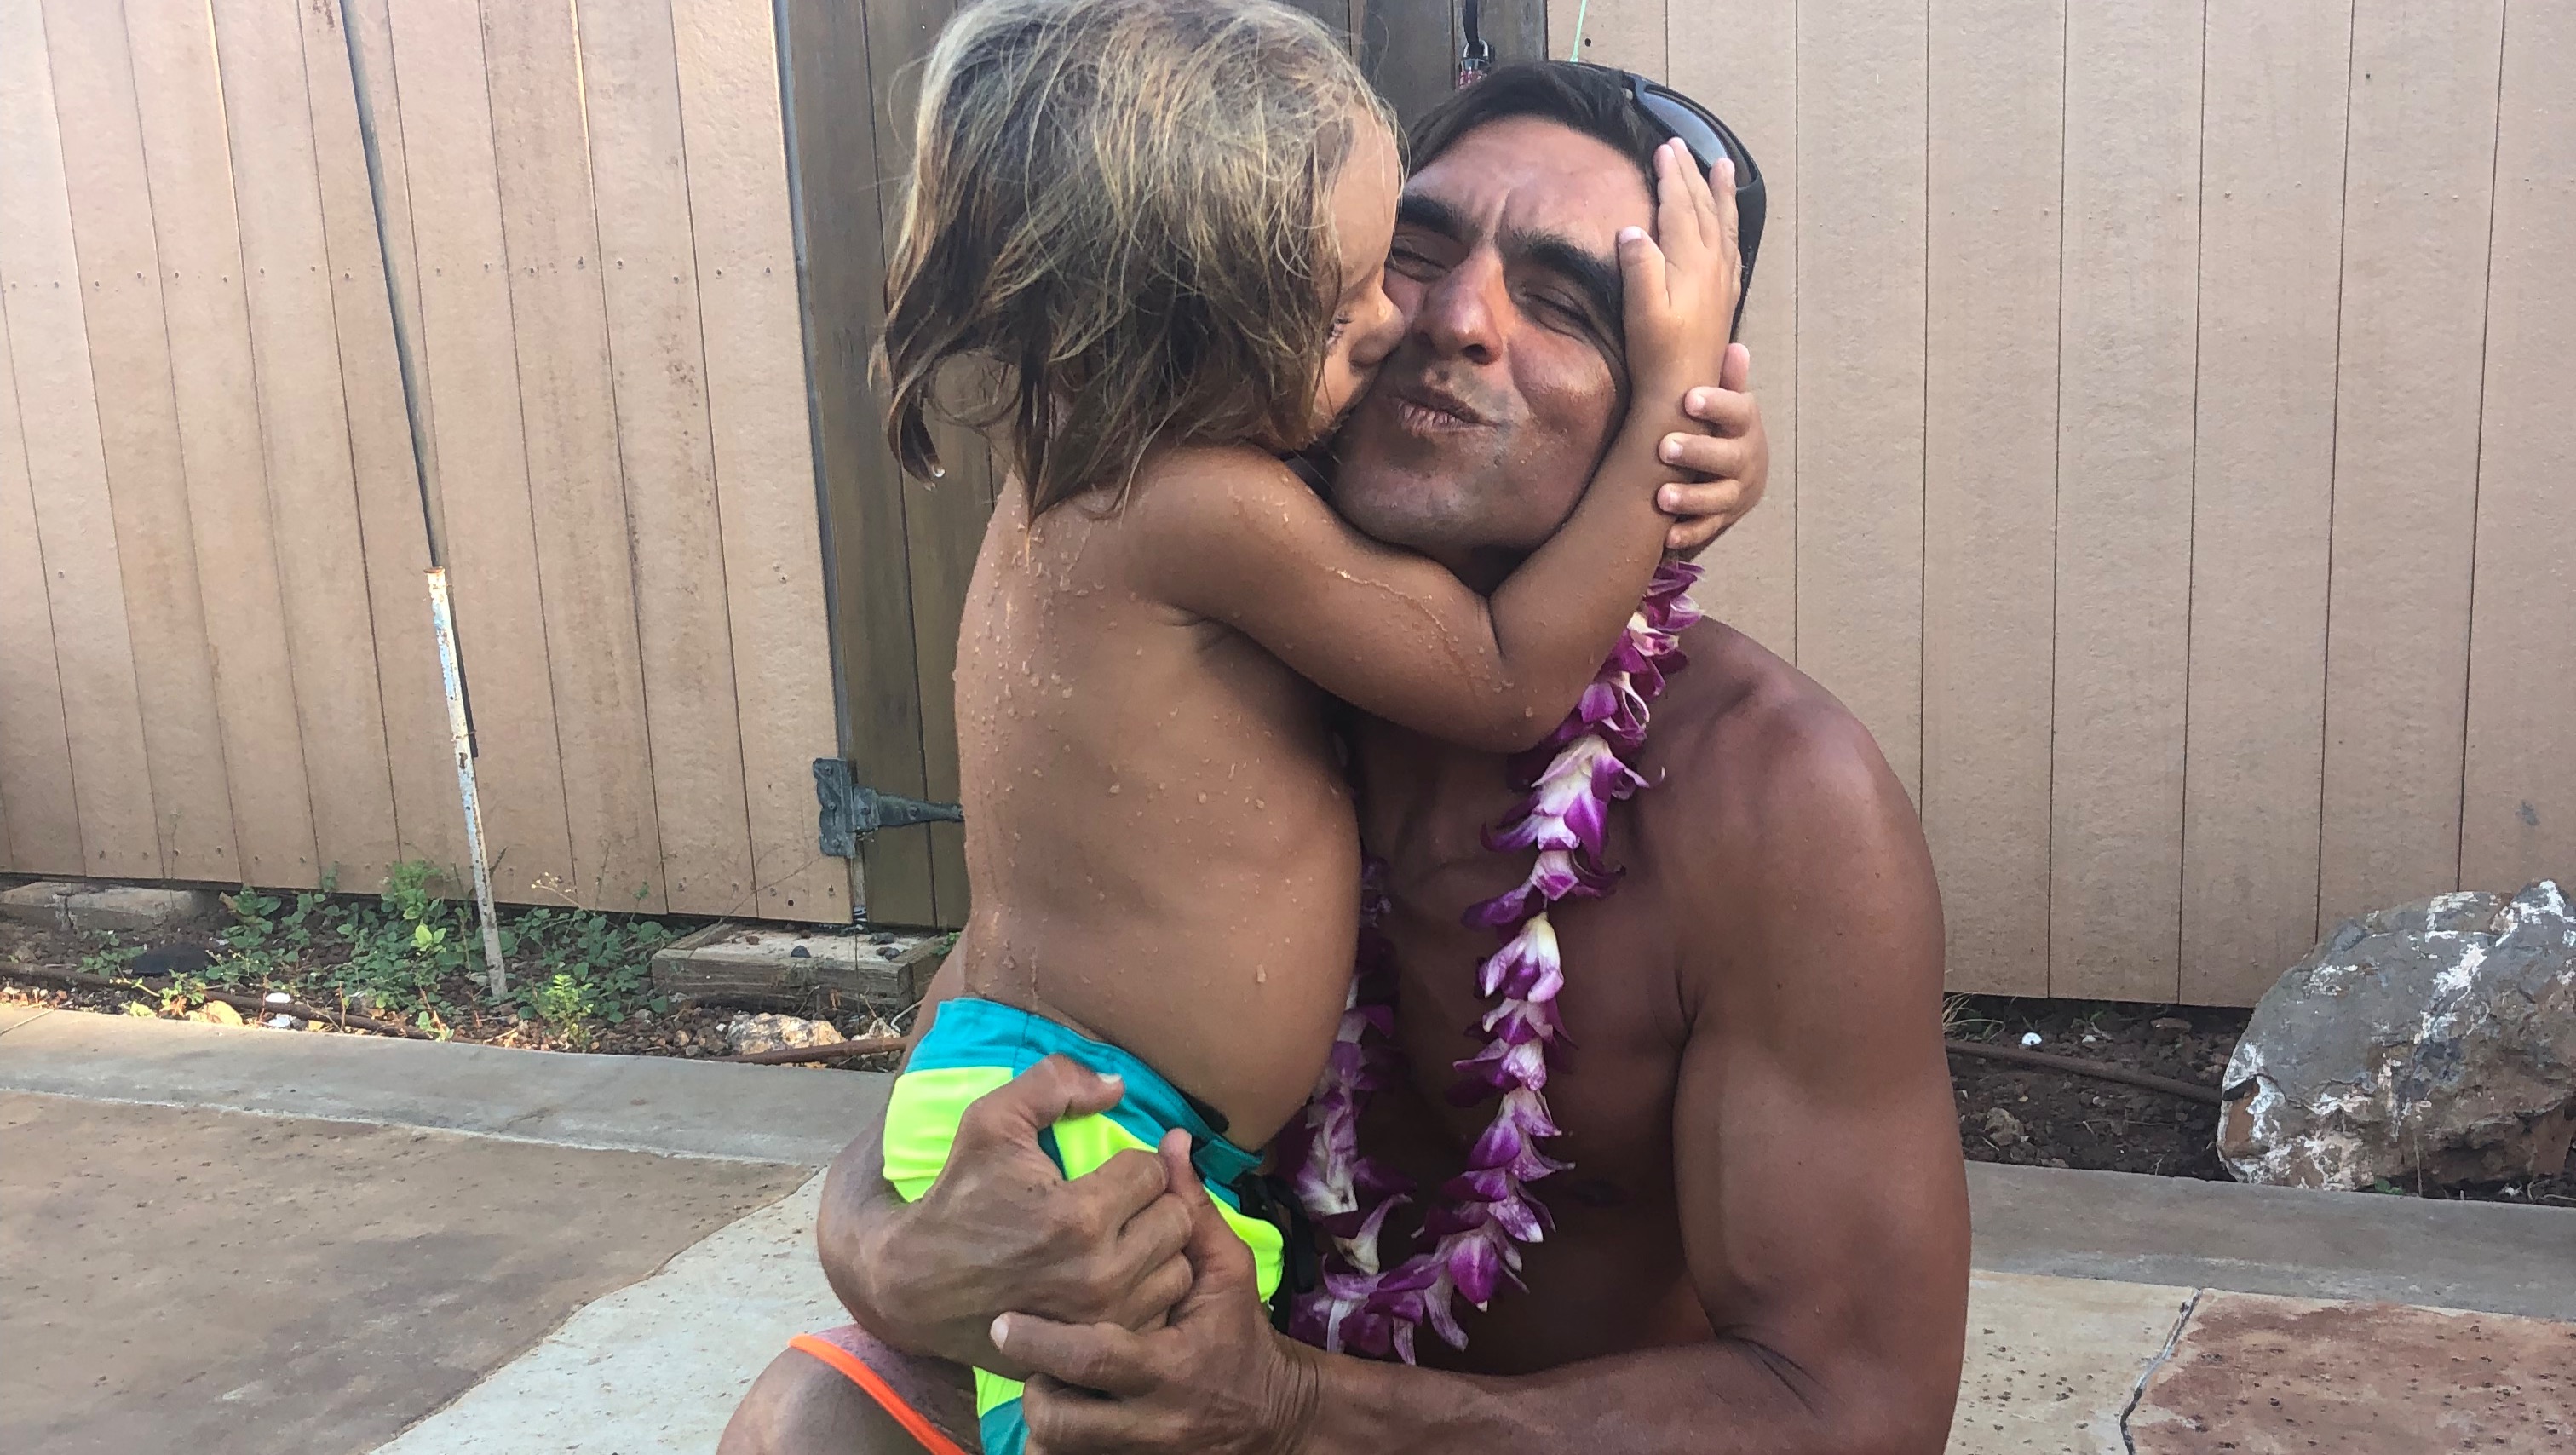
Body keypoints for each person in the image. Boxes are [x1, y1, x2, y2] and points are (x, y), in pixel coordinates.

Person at [725, 59, 1967, 1455]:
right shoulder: (1217, 665)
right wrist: (886, 1250)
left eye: (1567, 303)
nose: (1450, 320)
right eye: (1407, 256)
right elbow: (1003, 1018)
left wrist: (1296, 1408)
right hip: (1191, 1400)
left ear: (1674, 418)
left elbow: (1858, 1408)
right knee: (812, 1422)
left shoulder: (1775, 798)